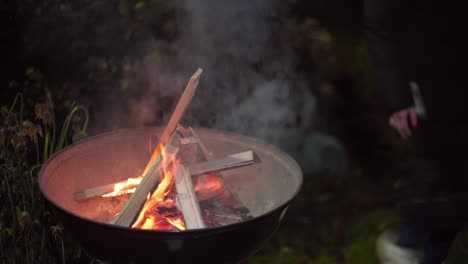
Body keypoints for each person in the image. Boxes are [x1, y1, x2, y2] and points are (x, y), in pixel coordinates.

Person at [364, 0, 468, 263]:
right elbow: (380, 26)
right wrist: (398, 98)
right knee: (437, 174)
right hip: (424, 84)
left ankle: (428, 256)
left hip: (458, 75)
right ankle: (406, 244)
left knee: (458, 191)